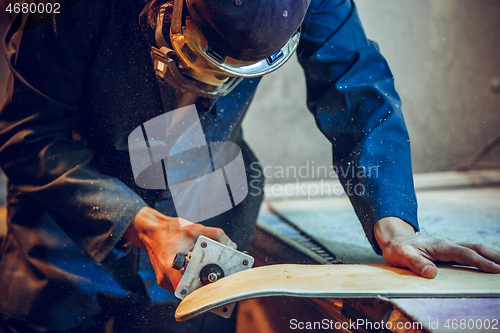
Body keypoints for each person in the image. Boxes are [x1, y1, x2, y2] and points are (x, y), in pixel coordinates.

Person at [0, 0, 499, 332]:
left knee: (191, 319)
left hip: (203, 182)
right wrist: (139, 222)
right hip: (72, 200)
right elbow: (27, 134)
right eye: (205, 55)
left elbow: (355, 87)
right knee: (58, 312)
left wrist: (394, 224)